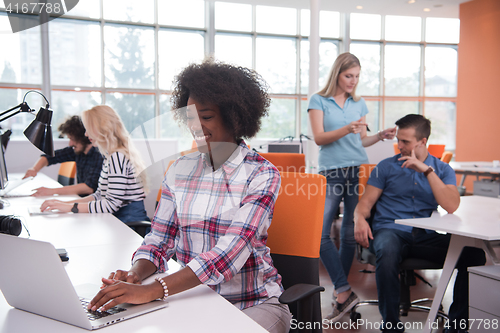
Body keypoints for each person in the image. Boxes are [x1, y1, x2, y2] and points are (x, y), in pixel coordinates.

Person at [86, 60, 292, 333]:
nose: (196, 127)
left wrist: (153, 290)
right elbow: (159, 239)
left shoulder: (261, 174)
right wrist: (137, 274)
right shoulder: (180, 169)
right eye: (191, 118)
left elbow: (228, 255)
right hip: (193, 299)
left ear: (234, 116)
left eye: (206, 117)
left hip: (252, 303)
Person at [354, 114, 486, 333]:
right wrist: (359, 218)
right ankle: (391, 325)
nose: (399, 145)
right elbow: (365, 204)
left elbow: (451, 205)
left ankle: (456, 326)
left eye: (405, 141)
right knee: (386, 252)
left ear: (423, 142)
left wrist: (425, 170)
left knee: (474, 255)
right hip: (391, 230)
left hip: (424, 234)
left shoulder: (442, 170)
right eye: (399, 140)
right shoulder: (385, 167)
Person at [308, 52, 397, 321]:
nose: (353, 81)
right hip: (331, 172)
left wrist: (379, 136)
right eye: (349, 76)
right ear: (337, 74)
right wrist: (348, 128)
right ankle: (344, 288)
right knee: (321, 233)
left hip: (355, 170)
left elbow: (362, 141)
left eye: (357, 76)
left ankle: (341, 296)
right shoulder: (318, 100)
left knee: (348, 235)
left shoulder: (359, 103)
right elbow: (320, 138)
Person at [40, 105, 150, 224]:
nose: (86, 134)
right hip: (118, 219)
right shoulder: (110, 155)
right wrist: (63, 204)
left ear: (102, 129)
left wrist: (70, 208)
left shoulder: (117, 157)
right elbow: (99, 195)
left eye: (88, 129)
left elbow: (111, 205)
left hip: (128, 224)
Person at [23, 115, 104, 197]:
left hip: (93, 203)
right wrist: (34, 169)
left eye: (73, 139)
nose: (70, 143)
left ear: (83, 137)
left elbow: (89, 188)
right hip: (81, 199)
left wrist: (51, 191)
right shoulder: (78, 151)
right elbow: (49, 157)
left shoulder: (99, 154)